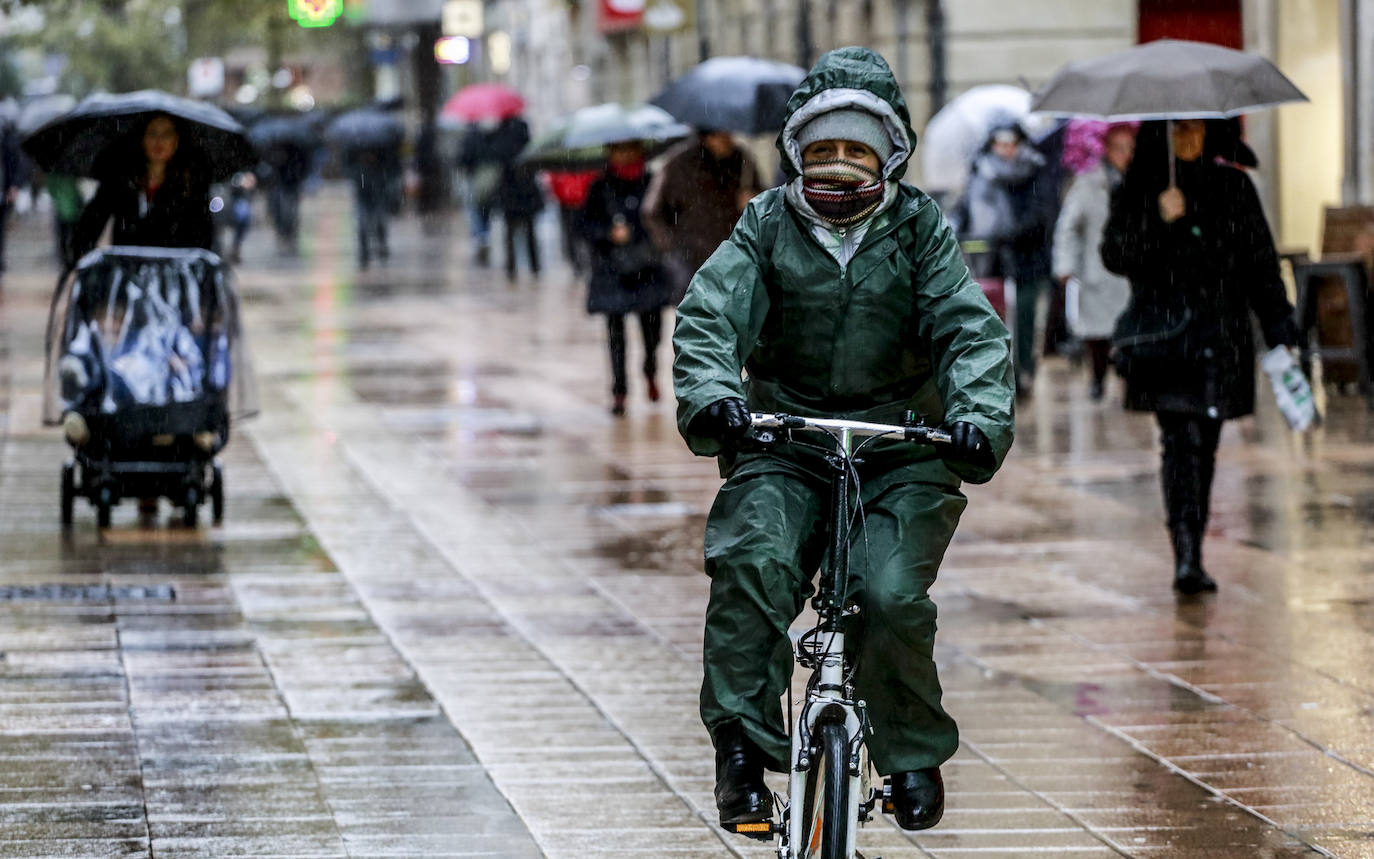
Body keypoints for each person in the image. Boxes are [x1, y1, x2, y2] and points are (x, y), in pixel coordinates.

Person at [672, 46, 1014, 833]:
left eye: (855, 149)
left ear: (887, 154)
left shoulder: (920, 229)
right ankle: (740, 755)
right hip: (783, 437)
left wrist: (974, 418)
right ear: (796, 150)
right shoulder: (766, 223)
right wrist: (718, 398)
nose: (837, 165)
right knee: (752, 562)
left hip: (901, 445)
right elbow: (709, 314)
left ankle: (911, 750)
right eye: (821, 148)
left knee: (887, 593)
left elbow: (970, 331)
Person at [1101, 119, 1299, 596]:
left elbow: (1260, 261)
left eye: (1196, 129)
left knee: (1203, 442)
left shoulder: (1233, 185)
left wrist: (1278, 327)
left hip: (1219, 336)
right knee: (1179, 439)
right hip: (1165, 338)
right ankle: (1186, 552)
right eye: (1178, 131)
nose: (1188, 139)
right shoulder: (1142, 187)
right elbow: (1116, 255)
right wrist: (1159, 219)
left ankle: (1193, 546)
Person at [951, 123, 1056, 399]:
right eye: (1000, 143)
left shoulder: (1034, 172)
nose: (1006, 150)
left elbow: (1041, 216)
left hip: (1026, 261)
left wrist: (1009, 234)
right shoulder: (980, 172)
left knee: (1023, 319)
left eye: (1012, 143)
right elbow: (964, 209)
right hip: (988, 262)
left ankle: (1022, 372)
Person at [578, 139, 672, 416]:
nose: (625, 154)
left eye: (630, 148)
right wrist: (608, 233)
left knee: (653, 331)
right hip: (613, 270)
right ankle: (619, 390)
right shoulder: (600, 186)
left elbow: (668, 217)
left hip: (648, 267)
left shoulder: (653, 181)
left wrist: (651, 234)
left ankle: (650, 369)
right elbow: (583, 224)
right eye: (619, 149)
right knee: (616, 335)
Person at [1052, 122, 1136, 400]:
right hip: (1097, 268)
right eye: (1118, 148)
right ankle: (1098, 378)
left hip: (1132, 270)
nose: (1125, 154)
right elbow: (1068, 227)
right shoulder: (1089, 182)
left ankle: (1129, 377)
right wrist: (1065, 265)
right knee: (1098, 333)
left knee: (1131, 329)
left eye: (1129, 148)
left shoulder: (1143, 181)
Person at [643, 129, 767, 303]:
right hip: (692, 259)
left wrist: (754, 200)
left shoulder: (743, 160)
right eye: (723, 134)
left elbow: (766, 203)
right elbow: (652, 211)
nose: (729, 140)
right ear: (708, 137)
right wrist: (672, 249)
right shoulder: (678, 163)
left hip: (736, 258)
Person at [72, 113, 214, 260]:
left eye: (167, 134)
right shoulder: (120, 179)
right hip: (126, 272)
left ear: (177, 140)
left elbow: (202, 234)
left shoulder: (190, 184)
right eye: (152, 134)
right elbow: (91, 223)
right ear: (142, 139)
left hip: (175, 274)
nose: (159, 141)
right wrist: (82, 259)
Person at [347, 145, 400, 269]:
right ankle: (364, 251)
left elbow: (388, 180)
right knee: (362, 225)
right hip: (364, 200)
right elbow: (358, 183)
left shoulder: (383, 166)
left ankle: (381, 245)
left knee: (380, 222)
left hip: (378, 199)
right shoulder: (358, 168)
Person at [546, 168, 599, 275]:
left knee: (584, 233)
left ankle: (587, 260)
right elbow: (555, 184)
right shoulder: (560, 170)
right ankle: (576, 262)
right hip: (567, 205)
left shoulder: (586, 169)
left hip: (584, 204)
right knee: (571, 234)